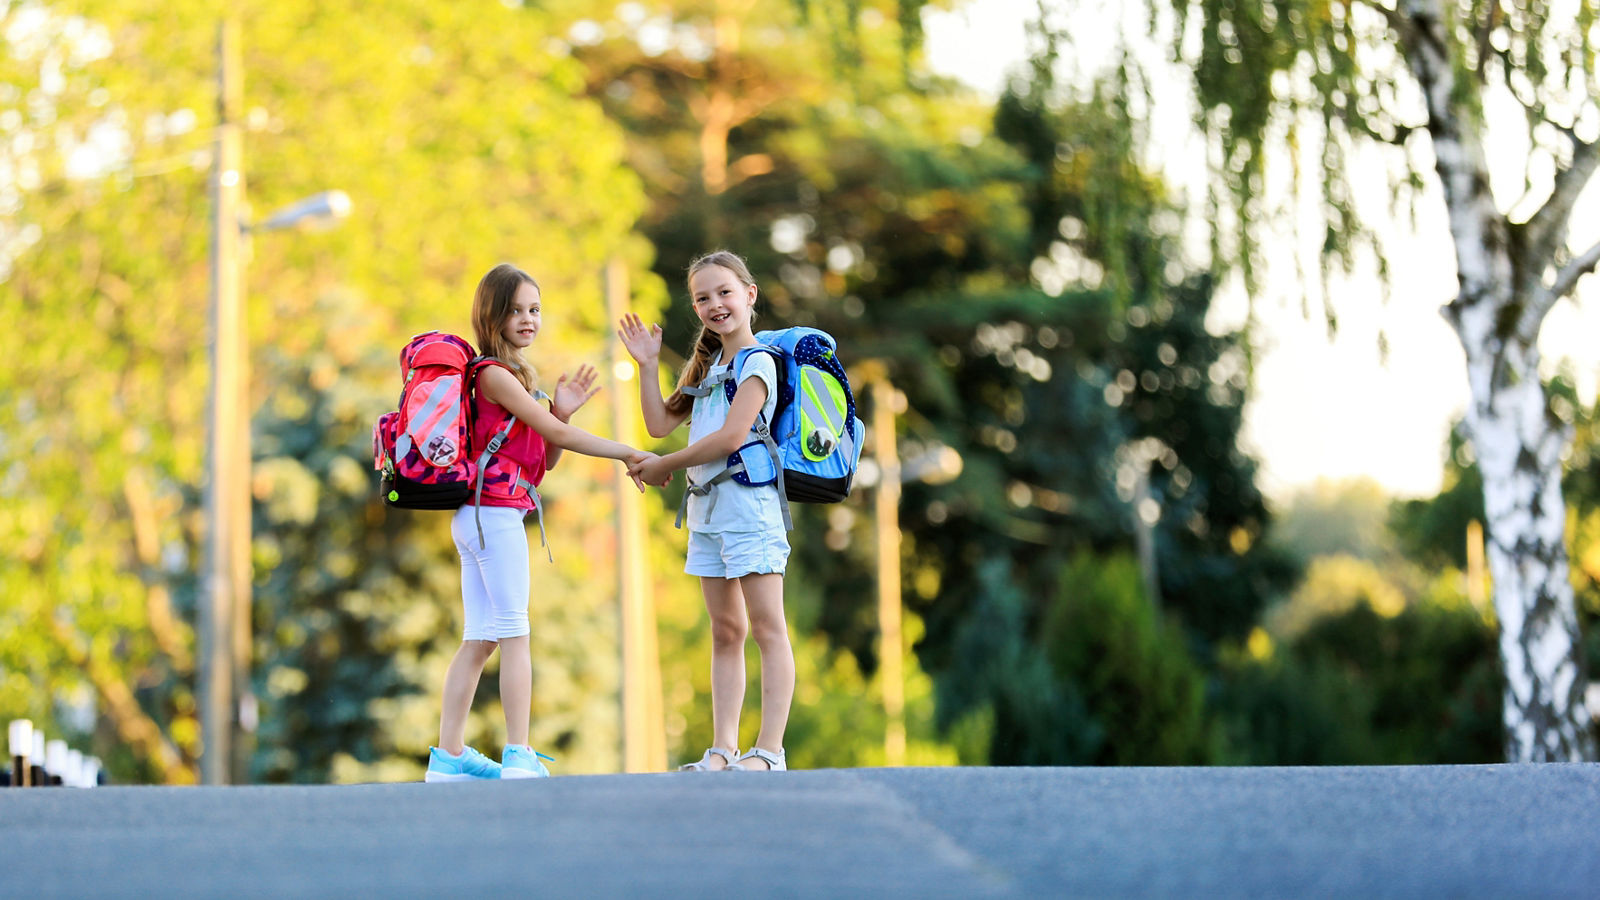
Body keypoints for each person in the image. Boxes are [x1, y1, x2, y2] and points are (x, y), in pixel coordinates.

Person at [426, 262, 655, 782]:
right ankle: (519, 753)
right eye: (516, 310)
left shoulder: (508, 380)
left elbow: (546, 459)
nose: (529, 319)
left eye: (535, 309)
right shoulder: (493, 375)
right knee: (513, 634)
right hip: (494, 519)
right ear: (493, 315)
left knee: (480, 638)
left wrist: (564, 412)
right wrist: (629, 453)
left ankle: (449, 757)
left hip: (479, 517)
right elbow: (563, 441)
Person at [618, 250, 793, 772]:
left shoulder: (758, 362)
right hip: (708, 513)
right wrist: (648, 364)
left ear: (749, 295)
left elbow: (732, 436)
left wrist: (663, 464)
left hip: (749, 508)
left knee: (767, 628)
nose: (715, 304)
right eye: (702, 297)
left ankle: (769, 751)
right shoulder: (711, 364)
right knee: (725, 631)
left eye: (724, 292)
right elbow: (656, 424)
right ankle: (722, 749)